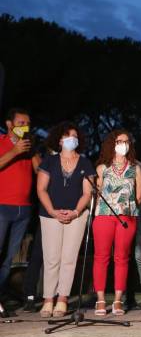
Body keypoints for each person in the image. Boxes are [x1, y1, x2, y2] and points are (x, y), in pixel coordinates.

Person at [36, 122, 95, 318]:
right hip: (50, 216)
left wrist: (77, 211)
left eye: (75, 136)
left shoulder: (85, 163)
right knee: (52, 258)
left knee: (69, 258)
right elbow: (41, 189)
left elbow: (88, 192)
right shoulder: (49, 161)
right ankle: (48, 299)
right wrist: (52, 211)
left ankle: (62, 298)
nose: (72, 139)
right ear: (59, 140)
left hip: (76, 216)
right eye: (68, 135)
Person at [92, 130, 141, 316]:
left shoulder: (136, 167)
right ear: (111, 144)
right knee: (101, 257)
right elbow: (97, 193)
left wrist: (127, 208)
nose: (123, 144)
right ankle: (100, 300)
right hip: (104, 216)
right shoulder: (102, 168)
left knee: (122, 258)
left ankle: (117, 300)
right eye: (119, 141)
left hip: (127, 218)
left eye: (126, 141)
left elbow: (140, 195)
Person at [0, 108, 40, 312]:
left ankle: (1, 297)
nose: (25, 126)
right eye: (21, 122)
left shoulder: (29, 146)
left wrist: (32, 153)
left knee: (9, 258)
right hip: (2, 207)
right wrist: (14, 152)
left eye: (28, 123)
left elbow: (40, 171)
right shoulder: (2, 143)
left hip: (23, 209)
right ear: (9, 124)